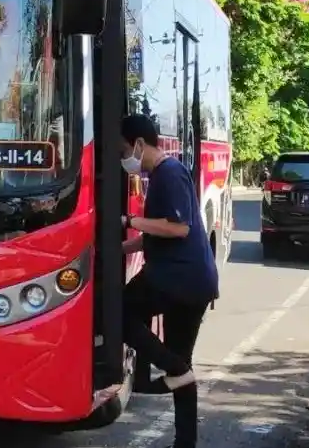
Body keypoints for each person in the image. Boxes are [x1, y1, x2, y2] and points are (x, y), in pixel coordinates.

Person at [117, 113, 219, 448]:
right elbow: (156, 235)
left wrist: (130, 219)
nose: (123, 159)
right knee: (181, 371)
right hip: (190, 280)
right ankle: (184, 442)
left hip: (180, 279)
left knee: (117, 312)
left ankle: (172, 370)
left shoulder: (169, 173)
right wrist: (118, 246)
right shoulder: (162, 174)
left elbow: (178, 228)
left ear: (140, 144)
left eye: (123, 150)